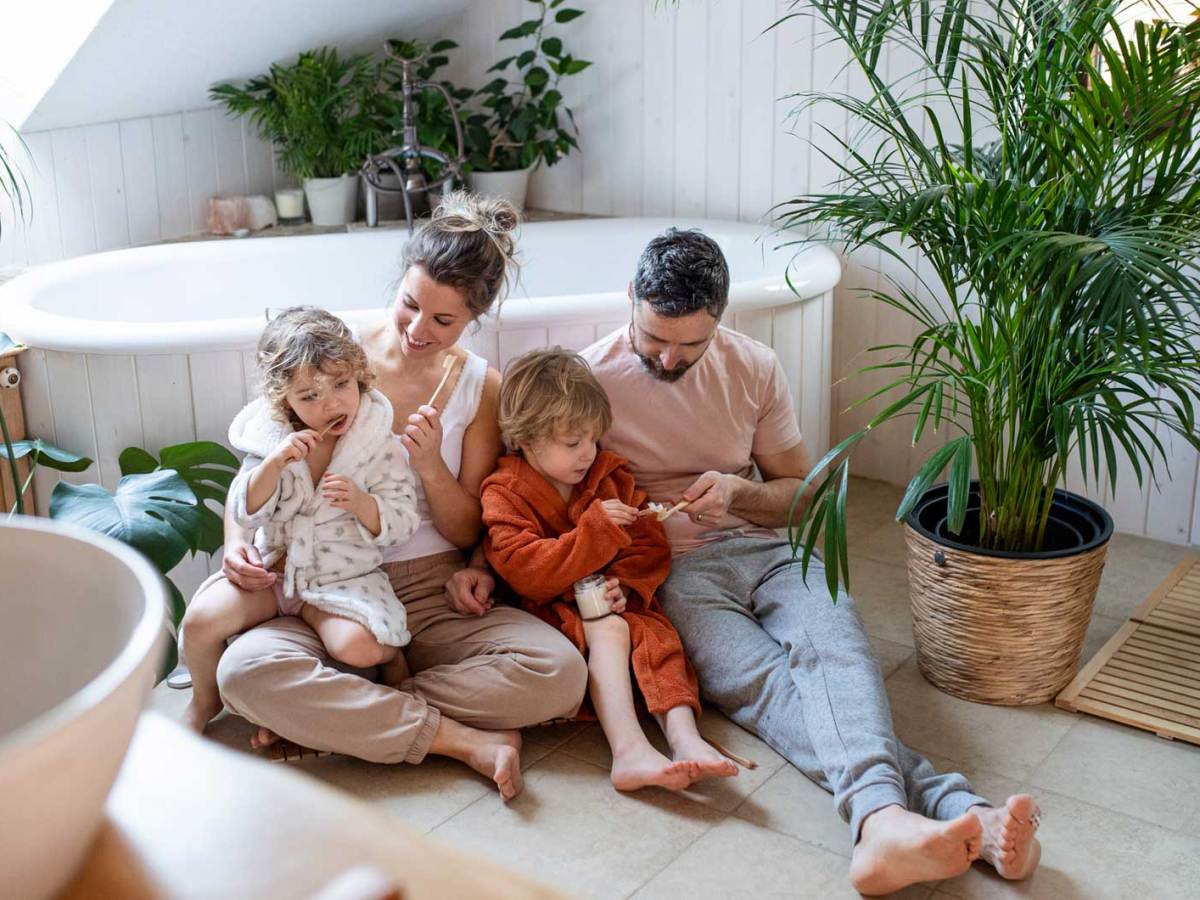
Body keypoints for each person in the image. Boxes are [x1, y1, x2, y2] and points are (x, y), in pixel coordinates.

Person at [453, 227, 1043, 892]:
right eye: (655, 340)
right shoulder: (587, 382)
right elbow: (519, 485)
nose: (671, 359)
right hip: (674, 576)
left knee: (836, 645)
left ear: (721, 321)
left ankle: (887, 823)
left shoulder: (754, 367)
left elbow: (802, 495)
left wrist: (742, 494)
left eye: (691, 345)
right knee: (771, 686)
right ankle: (941, 811)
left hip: (770, 550)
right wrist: (478, 557)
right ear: (630, 301)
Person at [203, 193, 588, 802]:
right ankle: (457, 739)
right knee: (241, 673)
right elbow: (256, 460)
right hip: (319, 582)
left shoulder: (479, 389)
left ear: (474, 319)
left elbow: (468, 532)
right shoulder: (336, 356)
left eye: (443, 322)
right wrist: (233, 544)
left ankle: (345, 716)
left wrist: (430, 465)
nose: (417, 330)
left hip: (427, 592)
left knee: (560, 675)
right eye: (410, 304)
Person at [480, 349, 738, 792]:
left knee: (657, 636)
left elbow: (648, 544)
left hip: (613, 602)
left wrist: (627, 587)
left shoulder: (607, 475)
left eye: (593, 439)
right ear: (526, 438)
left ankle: (686, 738)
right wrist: (593, 532)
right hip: (547, 611)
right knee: (610, 632)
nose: (587, 453)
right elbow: (526, 571)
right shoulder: (504, 493)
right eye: (572, 442)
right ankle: (629, 751)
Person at [182, 307, 420, 733]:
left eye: (341, 385)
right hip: (274, 575)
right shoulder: (272, 440)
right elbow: (243, 507)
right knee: (200, 622)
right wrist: (272, 465)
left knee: (359, 648)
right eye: (309, 396)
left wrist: (362, 503)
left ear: (359, 376)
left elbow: (404, 516)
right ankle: (204, 700)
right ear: (283, 399)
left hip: (340, 578)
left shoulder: (374, 440)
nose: (331, 404)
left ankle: (391, 658)